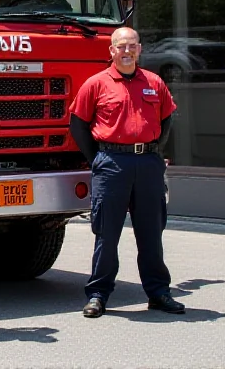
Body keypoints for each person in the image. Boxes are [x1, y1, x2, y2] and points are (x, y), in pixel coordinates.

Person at [69, 27, 184, 318]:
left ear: (140, 49)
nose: (126, 51)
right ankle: (98, 294)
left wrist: (155, 153)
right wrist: (97, 158)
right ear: (111, 50)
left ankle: (158, 292)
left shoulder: (154, 82)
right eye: (121, 46)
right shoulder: (96, 84)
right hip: (111, 164)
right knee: (107, 234)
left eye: (132, 46)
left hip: (147, 165)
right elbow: (78, 124)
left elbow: (167, 117)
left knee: (151, 234)